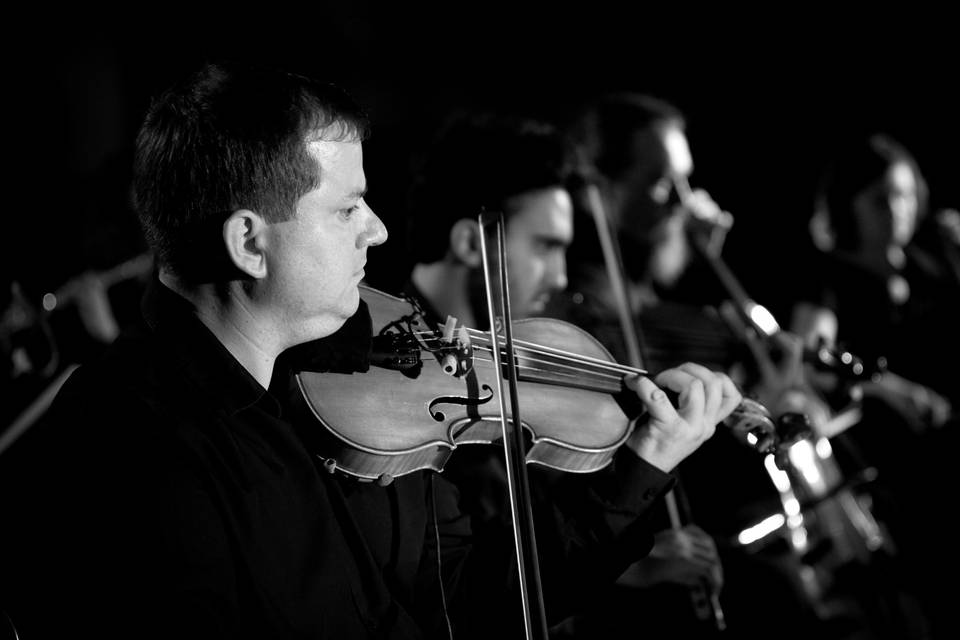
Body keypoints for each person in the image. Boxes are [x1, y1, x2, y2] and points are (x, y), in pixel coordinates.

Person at [0, 62, 741, 639]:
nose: (378, 231)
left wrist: (643, 461)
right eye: (347, 208)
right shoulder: (121, 449)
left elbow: (480, 600)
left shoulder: (358, 402)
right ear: (249, 242)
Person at [547, 92, 927, 639]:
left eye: (686, 181)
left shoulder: (660, 290)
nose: (684, 200)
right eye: (662, 184)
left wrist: (707, 260)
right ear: (601, 188)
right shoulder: (583, 308)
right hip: (691, 556)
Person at [404, 109, 735, 639]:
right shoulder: (396, 392)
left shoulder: (514, 367)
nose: (560, 276)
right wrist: (619, 563)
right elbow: (471, 599)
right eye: (546, 246)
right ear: (471, 244)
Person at [791, 132, 959, 639]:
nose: (898, 211)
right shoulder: (829, 278)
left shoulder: (935, 264)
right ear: (849, 206)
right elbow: (812, 353)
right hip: (896, 467)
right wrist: (891, 387)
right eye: (881, 198)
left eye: (906, 195)